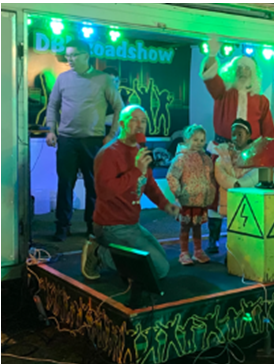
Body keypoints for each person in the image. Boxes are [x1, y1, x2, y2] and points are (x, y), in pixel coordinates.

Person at [81, 105, 181, 281]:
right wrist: (136, 170)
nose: (140, 125)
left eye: (143, 121)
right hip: (111, 225)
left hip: (132, 223)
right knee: (159, 270)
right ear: (121, 124)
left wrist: (166, 205)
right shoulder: (108, 154)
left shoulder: (140, 152)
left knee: (161, 260)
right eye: (134, 120)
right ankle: (99, 252)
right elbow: (106, 193)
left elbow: (148, 184)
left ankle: (116, 255)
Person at [45, 39, 125, 241]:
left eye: (74, 55)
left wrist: (112, 134)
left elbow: (119, 107)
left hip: (93, 141)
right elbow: (52, 105)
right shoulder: (62, 79)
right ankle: (62, 227)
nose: (69, 59)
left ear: (86, 56)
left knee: (93, 185)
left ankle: (92, 225)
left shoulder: (103, 79)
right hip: (67, 140)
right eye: (68, 55)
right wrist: (50, 131)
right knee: (65, 184)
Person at [201, 34, 274, 182]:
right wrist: (212, 54)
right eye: (239, 68)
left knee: (248, 192)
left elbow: (268, 133)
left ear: (253, 73)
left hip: (250, 154)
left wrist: (271, 160)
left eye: (247, 68)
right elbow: (210, 77)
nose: (243, 71)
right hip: (223, 152)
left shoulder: (261, 100)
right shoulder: (223, 92)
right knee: (220, 191)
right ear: (233, 71)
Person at [166, 125, 217, 265]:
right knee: (185, 226)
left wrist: (210, 190)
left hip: (201, 200)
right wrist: (179, 192)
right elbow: (171, 176)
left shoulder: (206, 159)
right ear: (187, 139)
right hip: (186, 200)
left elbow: (210, 176)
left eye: (201, 140)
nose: (199, 143)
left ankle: (198, 251)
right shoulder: (181, 158)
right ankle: (184, 252)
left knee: (198, 226)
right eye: (195, 140)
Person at [211, 119, 260, 255]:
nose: (236, 138)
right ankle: (213, 240)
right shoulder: (225, 153)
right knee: (218, 215)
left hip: (246, 194)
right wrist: (234, 184)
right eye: (234, 134)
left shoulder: (255, 154)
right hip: (227, 192)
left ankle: (237, 248)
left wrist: (242, 184)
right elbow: (220, 171)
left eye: (240, 134)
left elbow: (256, 173)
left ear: (248, 135)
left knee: (241, 221)